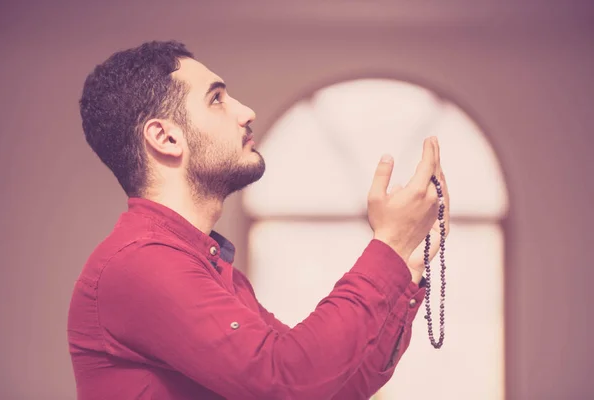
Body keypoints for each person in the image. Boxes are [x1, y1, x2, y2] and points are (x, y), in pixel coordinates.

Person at [67, 40, 450, 400]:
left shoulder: (209, 269)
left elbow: (338, 387)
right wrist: (389, 245)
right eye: (216, 99)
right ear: (165, 138)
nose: (245, 112)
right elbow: (289, 377)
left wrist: (407, 260)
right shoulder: (139, 264)